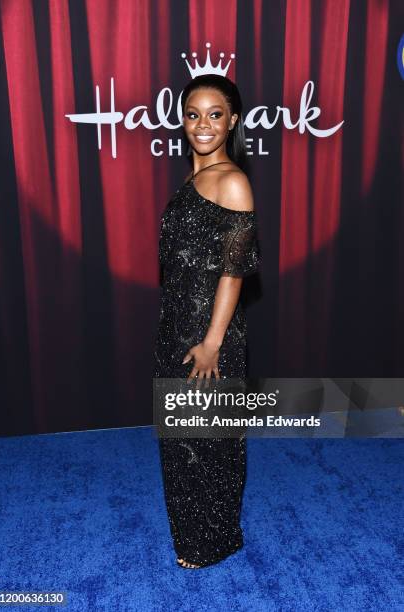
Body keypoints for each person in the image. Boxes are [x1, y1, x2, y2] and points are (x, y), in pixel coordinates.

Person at [153, 74, 261, 569]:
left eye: (215, 114)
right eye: (193, 113)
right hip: (177, 327)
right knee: (181, 438)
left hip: (210, 335)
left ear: (233, 120)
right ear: (181, 119)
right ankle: (196, 535)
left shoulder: (232, 180)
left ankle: (214, 540)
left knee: (209, 443)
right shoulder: (193, 179)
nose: (203, 124)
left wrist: (213, 342)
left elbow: (234, 271)